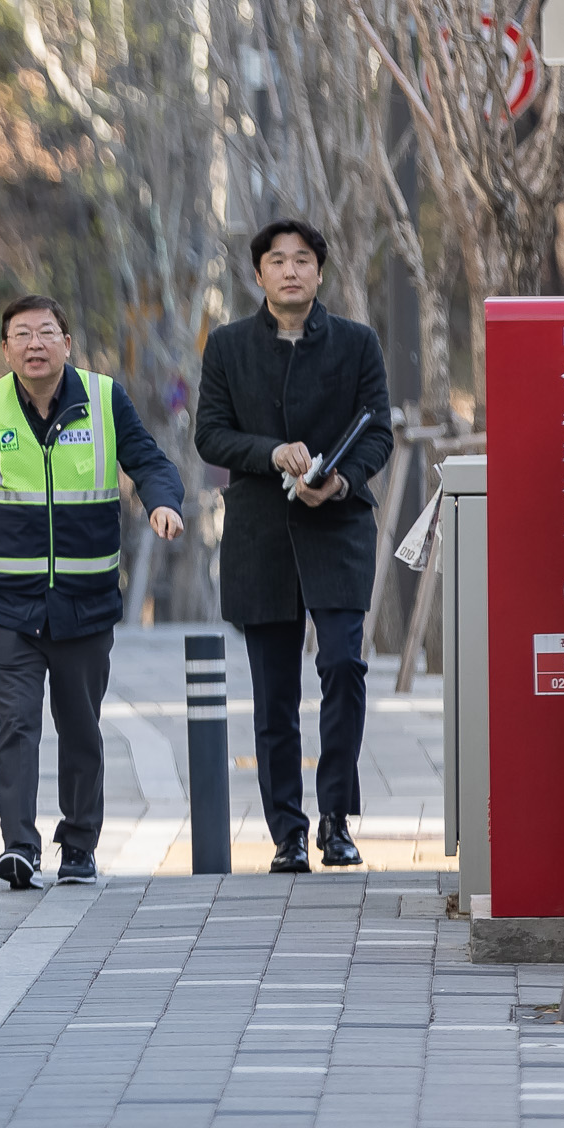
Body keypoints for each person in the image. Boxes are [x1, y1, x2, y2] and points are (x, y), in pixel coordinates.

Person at [0, 296, 186, 890]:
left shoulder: (105, 400)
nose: (35, 344)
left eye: (46, 332)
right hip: (7, 603)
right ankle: (19, 846)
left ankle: (78, 844)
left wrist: (162, 502)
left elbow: (150, 462)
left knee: (80, 724)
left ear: (67, 343)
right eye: (21, 334)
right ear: (5, 349)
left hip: (84, 602)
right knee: (18, 721)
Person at [195, 218, 393, 874]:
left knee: (343, 666)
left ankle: (336, 818)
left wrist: (340, 481)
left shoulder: (357, 344)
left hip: (337, 528)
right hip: (259, 534)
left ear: (319, 271)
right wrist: (270, 452)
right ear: (258, 274)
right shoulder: (226, 347)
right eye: (276, 260)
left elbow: (378, 435)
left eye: (302, 259)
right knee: (273, 692)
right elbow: (212, 436)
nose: (290, 270)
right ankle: (286, 829)